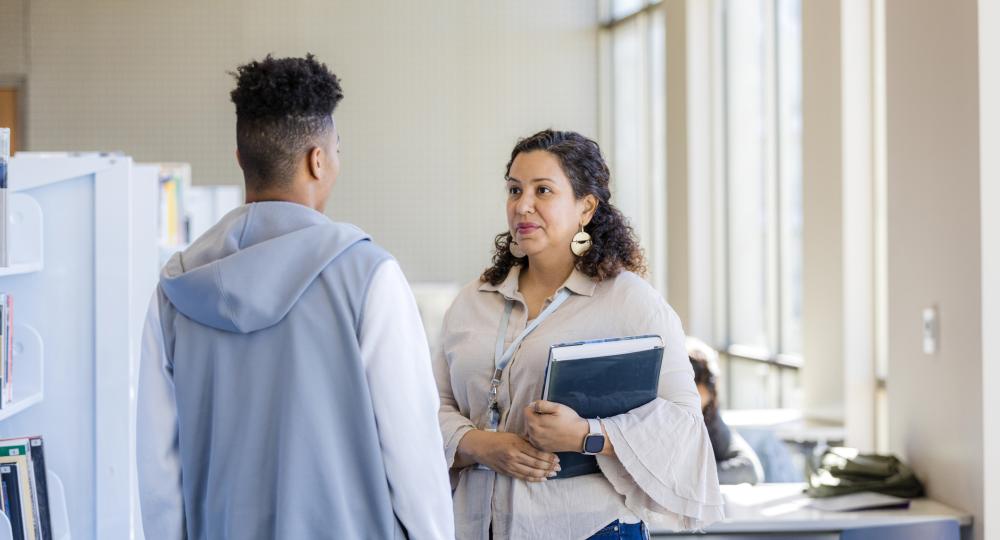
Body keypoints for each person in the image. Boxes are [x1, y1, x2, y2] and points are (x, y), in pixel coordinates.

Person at [136, 55, 453, 539]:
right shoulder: (369, 276)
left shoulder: (175, 290)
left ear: (241, 157)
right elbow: (414, 453)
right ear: (317, 160)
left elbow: (159, 470)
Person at [433, 129, 724, 539]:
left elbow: (683, 423)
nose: (523, 206)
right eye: (515, 190)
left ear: (586, 208)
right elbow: (431, 407)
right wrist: (477, 444)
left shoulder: (629, 303)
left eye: (543, 191)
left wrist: (586, 436)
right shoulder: (473, 300)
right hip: (473, 526)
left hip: (590, 527)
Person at [687, 339, 765, 485]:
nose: (695, 414)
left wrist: (695, 479)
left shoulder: (710, 418)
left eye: (701, 406)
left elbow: (750, 471)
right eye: (688, 404)